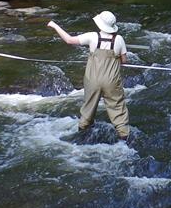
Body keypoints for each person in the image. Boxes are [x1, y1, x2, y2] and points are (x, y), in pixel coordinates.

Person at [47, 11, 132, 142]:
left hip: (92, 79)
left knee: (88, 107)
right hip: (111, 81)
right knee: (117, 107)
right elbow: (124, 61)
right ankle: (124, 137)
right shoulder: (119, 39)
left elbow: (69, 40)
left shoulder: (92, 37)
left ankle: (83, 134)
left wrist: (55, 25)